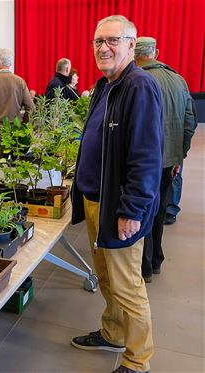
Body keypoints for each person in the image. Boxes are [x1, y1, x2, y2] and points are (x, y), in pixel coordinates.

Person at [70, 15, 163, 373]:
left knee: (127, 287)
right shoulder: (105, 86)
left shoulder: (139, 86)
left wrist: (132, 210)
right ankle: (113, 333)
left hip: (119, 207)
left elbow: (146, 156)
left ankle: (137, 361)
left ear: (130, 44)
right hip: (96, 200)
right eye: (98, 42)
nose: (104, 47)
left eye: (112, 40)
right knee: (107, 279)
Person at [134, 37, 197, 282]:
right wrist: (179, 155)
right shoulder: (178, 80)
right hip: (169, 160)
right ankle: (156, 259)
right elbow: (189, 123)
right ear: (156, 53)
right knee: (159, 210)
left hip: (142, 162)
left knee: (141, 211)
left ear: (132, 53)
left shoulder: (136, 81)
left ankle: (145, 266)